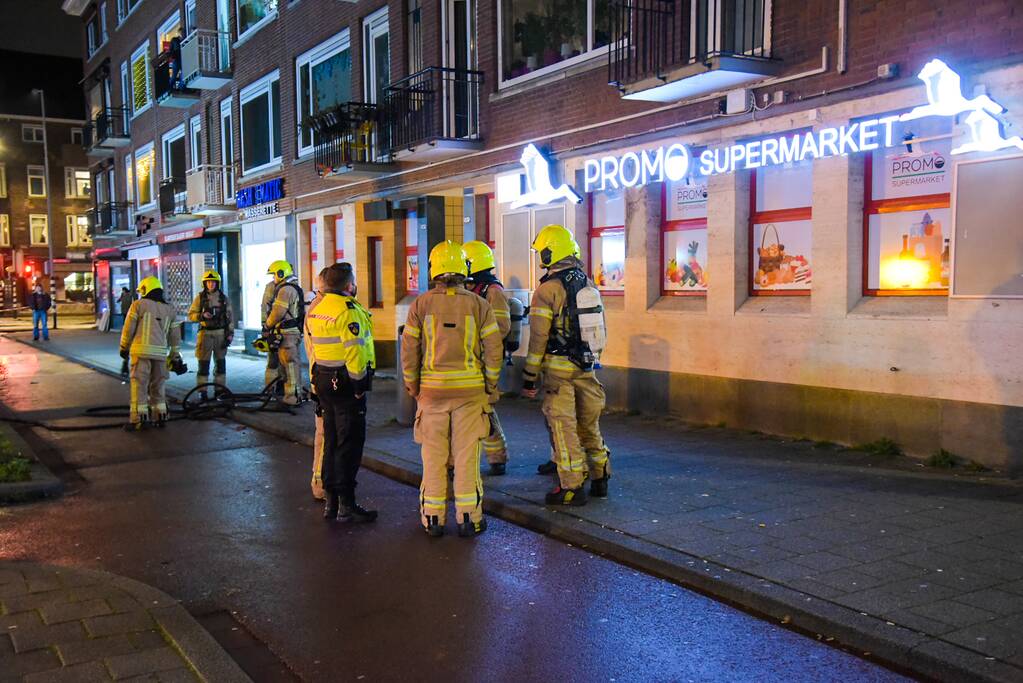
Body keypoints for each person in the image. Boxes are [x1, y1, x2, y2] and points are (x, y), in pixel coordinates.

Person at [401, 241, 503, 538]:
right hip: (471, 395)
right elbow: (493, 350)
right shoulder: (479, 304)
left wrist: (413, 386)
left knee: (433, 457)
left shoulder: (420, 305)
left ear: (434, 269)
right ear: (464, 269)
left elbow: (409, 351)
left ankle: (432, 517)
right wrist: (490, 384)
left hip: (431, 395)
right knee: (467, 457)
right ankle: (469, 518)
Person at [522, 224, 611, 506]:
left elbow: (538, 338)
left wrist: (529, 376)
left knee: (564, 427)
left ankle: (571, 488)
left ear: (550, 254)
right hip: (586, 368)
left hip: (559, 371)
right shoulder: (587, 283)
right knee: (589, 424)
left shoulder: (547, 290)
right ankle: (600, 476)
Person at [306, 263, 377, 522]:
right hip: (346, 384)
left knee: (331, 443)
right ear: (349, 285)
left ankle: (331, 503)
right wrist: (359, 386)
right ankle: (347, 504)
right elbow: (355, 351)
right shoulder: (348, 311)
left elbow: (314, 349)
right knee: (349, 444)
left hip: (323, 381)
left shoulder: (318, 309)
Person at [463, 240, 512, 475]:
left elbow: (501, 327)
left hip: (484, 359)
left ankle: (497, 456)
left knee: (485, 409)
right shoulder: (468, 289)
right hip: (467, 359)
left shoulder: (493, 291)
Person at [119, 277, 182, 431]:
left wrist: (124, 347)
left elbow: (128, 329)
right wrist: (174, 355)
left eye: (142, 291)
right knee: (158, 385)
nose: (141, 294)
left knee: (139, 385)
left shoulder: (138, 305)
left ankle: (138, 420)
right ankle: (160, 416)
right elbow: (175, 336)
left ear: (146, 289)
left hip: (141, 353)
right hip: (160, 355)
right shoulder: (170, 309)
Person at [263, 260, 304, 405]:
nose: (273, 278)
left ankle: (292, 397)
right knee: (288, 365)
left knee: (290, 366)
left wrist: (267, 325)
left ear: (281, 273)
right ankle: (293, 394)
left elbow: (278, 312)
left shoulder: (285, 290)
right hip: (289, 332)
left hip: (287, 334)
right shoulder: (292, 287)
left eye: (274, 274)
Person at [187, 270, 234, 397]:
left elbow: (230, 318)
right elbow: (191, 316)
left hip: (220, 334)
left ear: (217, 283)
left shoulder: (224, 299)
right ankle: (202, 392)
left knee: (220, 364)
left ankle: (219, 390)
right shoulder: (200, 298)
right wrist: (202, 315)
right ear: (205, 283)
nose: (211, 284)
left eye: (213, 282)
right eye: (208, 282)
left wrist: (230, 334)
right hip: (205, 335)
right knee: (203, 365)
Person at [304, 268, 329, 501]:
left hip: (319, 379)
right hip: (328, 381)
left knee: (323, 432)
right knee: (325, 433)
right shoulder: (325, 309)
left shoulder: (315, 308)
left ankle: (320, 481)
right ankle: (322, 484)